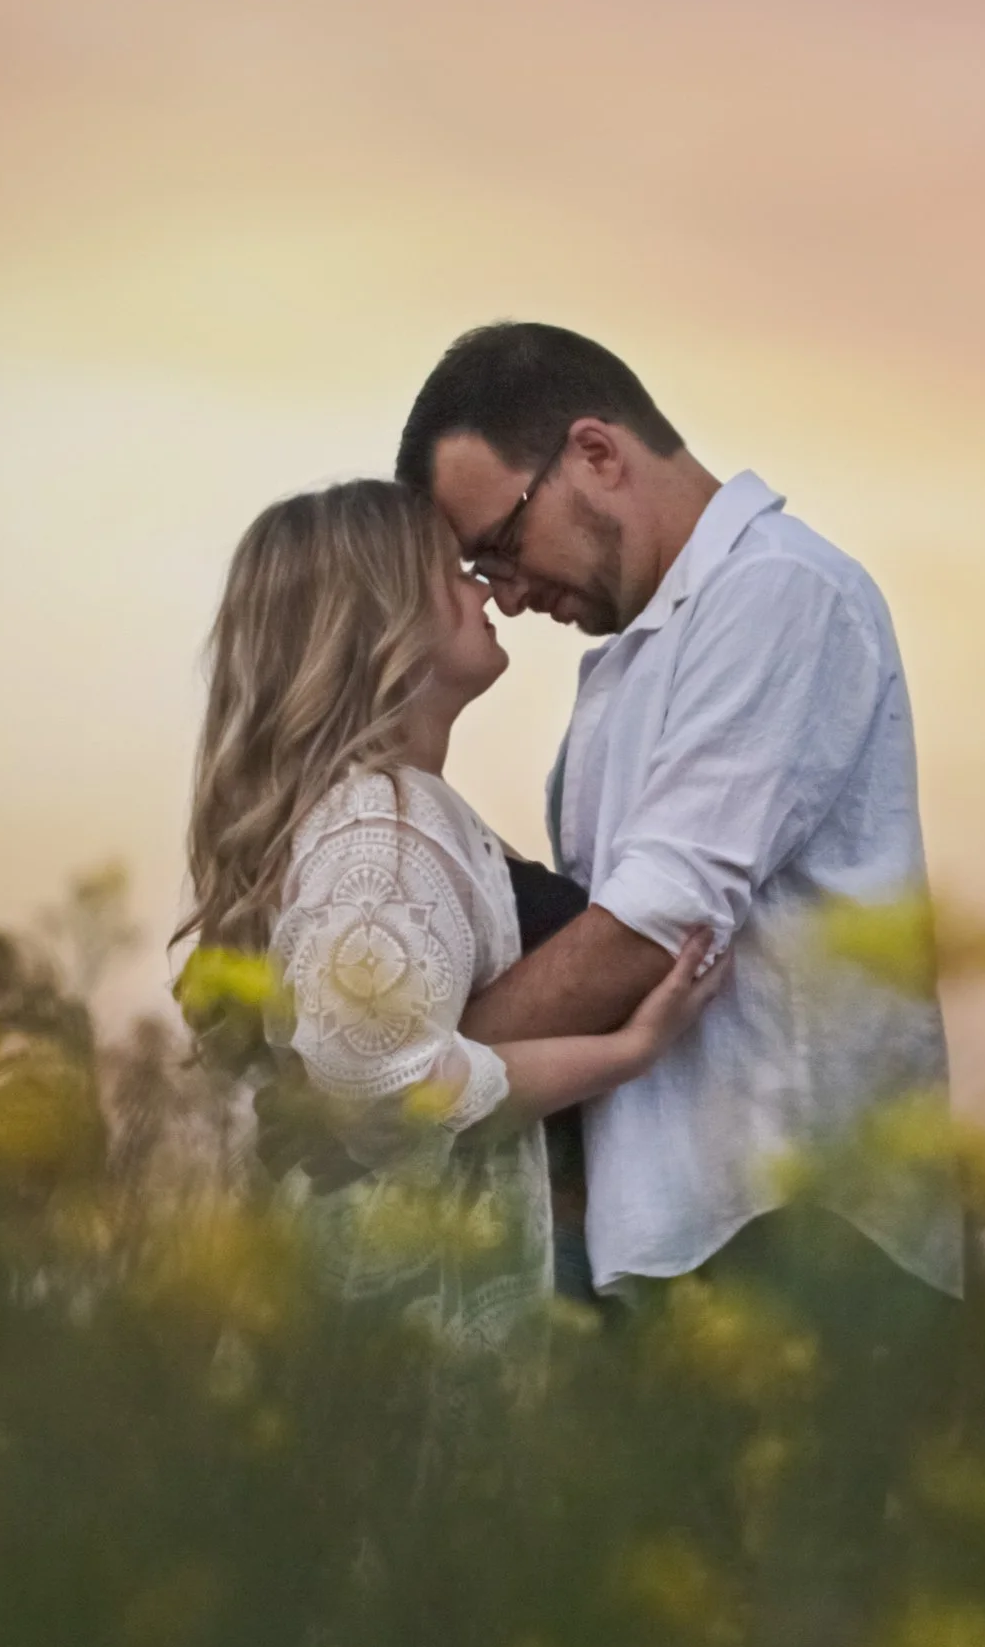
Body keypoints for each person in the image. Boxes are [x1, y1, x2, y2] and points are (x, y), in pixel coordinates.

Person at [395, 324, 961, 1314]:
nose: (510, 597)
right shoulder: (642, 648)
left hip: (792, 1225)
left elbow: (654, 929)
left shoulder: (775, 589)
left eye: (501, 546)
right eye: (481, 577)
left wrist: (402, 1089)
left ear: (597, 455)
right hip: (669, 1237)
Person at [179, 479, 718, 1343]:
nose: (482, 589)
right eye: (448, 572)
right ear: (381, 617)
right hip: (426, 1320)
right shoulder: (376, 824)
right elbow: (379, 1086)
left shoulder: (399, 815)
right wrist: (624, 1052)